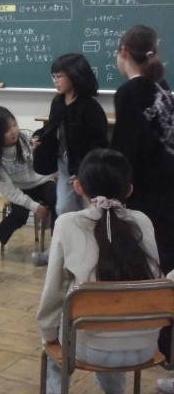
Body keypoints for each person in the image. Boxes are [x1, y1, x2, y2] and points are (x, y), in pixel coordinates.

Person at [37, 149, 161, 394]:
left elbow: (54, 290)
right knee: (111, 312)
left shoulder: (67, 223)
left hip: (93, 349)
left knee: (54, 344)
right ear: (129, 190)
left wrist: (48, 334)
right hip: (145, 346)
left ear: (78, 186)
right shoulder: (142, 221)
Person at [32, 53, 108, 263]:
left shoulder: (90, 108)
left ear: (74, 76)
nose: (55, 81)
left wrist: (84, 172)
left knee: (92, 212)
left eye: (59, 76)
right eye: (53, 76)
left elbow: (98, 144)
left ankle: (99, 257)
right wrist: (38, 137)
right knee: (63, 209)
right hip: (65, 166)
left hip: (85, 170)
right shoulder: (58, 102)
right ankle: (57, 254)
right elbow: (51, 127)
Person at [111, 25, 174, 275]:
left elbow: (126, 147)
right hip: (167, 178)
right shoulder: (161, 84)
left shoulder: (129, 92)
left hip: (147, 188)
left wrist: (116, 190)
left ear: (124, 52)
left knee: (149, 251)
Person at [0, 106, 57, 261]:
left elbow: (45, 162)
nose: (14, 131)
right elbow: (10, 191)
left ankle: (55, 245)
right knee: (19, 215)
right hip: (20, 188)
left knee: (57, 199)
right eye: (7, 130)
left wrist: (38, 150)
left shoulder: (26, 138)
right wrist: (36, 207)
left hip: (41, 181)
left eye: (14, 125)